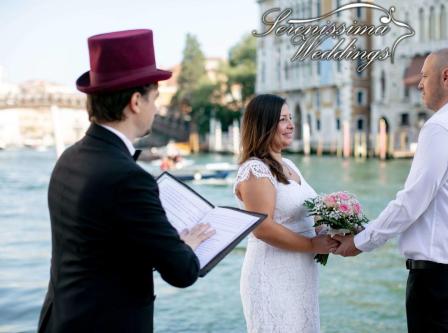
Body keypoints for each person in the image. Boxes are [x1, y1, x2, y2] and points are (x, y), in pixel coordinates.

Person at [38, 29, 214, 333]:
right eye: (154, 99)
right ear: (136, 101)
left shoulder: (68, 159)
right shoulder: (129, 178)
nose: (156, 109)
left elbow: (101, 244)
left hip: (60, 321)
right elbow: (182, 272)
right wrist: (182, 245)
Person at [333, 47, 448, 332]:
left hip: (438, 279)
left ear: (445, 77)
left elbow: (410, 203)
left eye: (424, 76)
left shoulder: (440, 128)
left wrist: (360, 242)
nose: (419, 84)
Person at [233, 94, 338, 333]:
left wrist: (332, 227)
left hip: (300, 274)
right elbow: (263, 228)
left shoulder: (289, 165)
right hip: (272, 275)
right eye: (283, 119)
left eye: (291, 118)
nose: (291, 124)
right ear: (263, 125)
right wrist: (312, 245)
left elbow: (307, 210)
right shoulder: (255, 169)